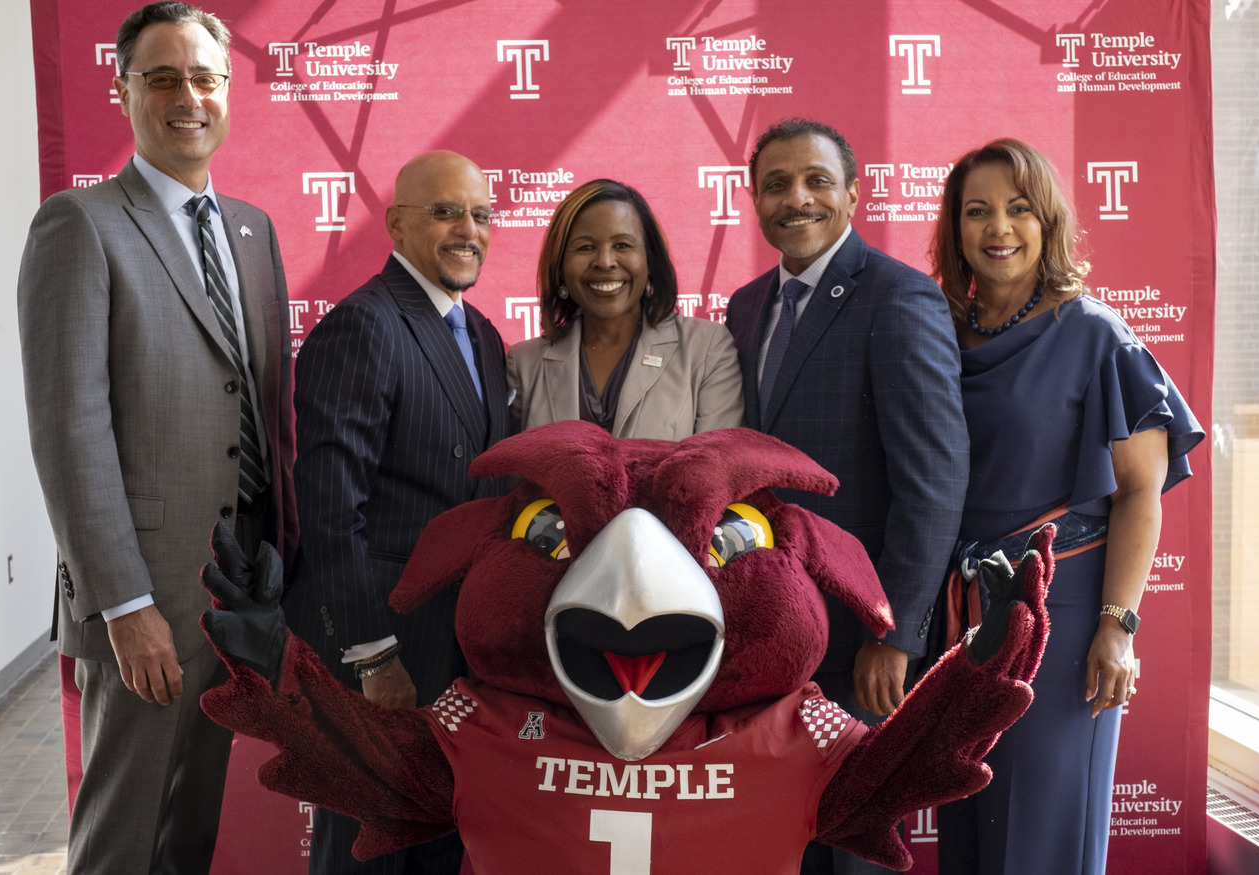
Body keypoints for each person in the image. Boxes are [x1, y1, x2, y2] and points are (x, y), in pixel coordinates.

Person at [17, 3, 297, 873]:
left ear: (228, 93)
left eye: (205, 77)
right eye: (162, 76)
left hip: (238, 579)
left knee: (190, 831)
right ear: (123, 89)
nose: (188, 97)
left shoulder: (252, 230)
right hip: (144, 597)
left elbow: (260, 400)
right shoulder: (82, 225)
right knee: (121, 836)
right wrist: (124, 605)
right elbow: (70, 432)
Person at [927, 138, 1203, 875]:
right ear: (955, 228)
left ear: (1046, 221)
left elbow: (1142, 491)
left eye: (1018, 209)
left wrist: (1117, 627)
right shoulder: (937, 332)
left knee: (1041, 831)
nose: (998, 228)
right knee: (969, 818)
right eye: (977, 211)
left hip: (1062, 612)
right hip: (961, 615)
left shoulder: (1095, 336)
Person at [725, 118, 968, 875]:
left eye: (815, 181)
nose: (795, 199)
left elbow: (932, 478)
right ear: (754, 199)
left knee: (849, 848)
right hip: (761, 633)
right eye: (775, 184)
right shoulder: (743, 306)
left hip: (855, 640)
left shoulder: (898, 298)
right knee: (774, 842)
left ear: (853, 194)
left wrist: (891, 630)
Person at [282, 150, 510, 875]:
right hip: (384, 648)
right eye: (445, 211)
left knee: (436, 845)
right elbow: (327, 509)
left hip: (459, 649)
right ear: (397, 223)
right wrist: (370, 653)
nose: (466, 229)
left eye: (479, 214)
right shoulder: (364, 326)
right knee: (365, 850)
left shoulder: (483, 337)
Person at [508, 178, 743, 439]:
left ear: (650, 260)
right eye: (586, 247)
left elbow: (716, 468)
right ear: (560, 268)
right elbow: (511, 475)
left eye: (622, 245)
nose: (605, 262)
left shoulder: (706, 348)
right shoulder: (524, 364)